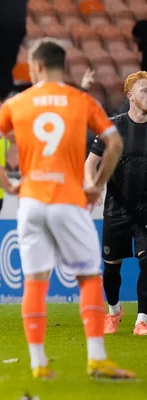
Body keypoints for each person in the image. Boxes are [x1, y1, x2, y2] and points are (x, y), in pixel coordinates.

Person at [0, 38, 134, 379]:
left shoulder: (18, 102)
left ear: (35, 66)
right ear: (63, 67)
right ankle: (96, 358)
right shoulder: (81, 100)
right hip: (67, 199)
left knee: (34, 282)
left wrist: (7, 184)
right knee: (89, 277)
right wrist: (95, 184)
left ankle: (38, 364)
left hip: (30, 201)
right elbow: (115, 142)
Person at [84, 71, 147, 336]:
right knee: (111, 269)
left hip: (145, 211)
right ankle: (114, 311)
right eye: (144, 90)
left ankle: (142, 319)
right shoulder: (113, 127)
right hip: (116, 207)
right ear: (130, 95)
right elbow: (91, 163)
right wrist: (91, 184)